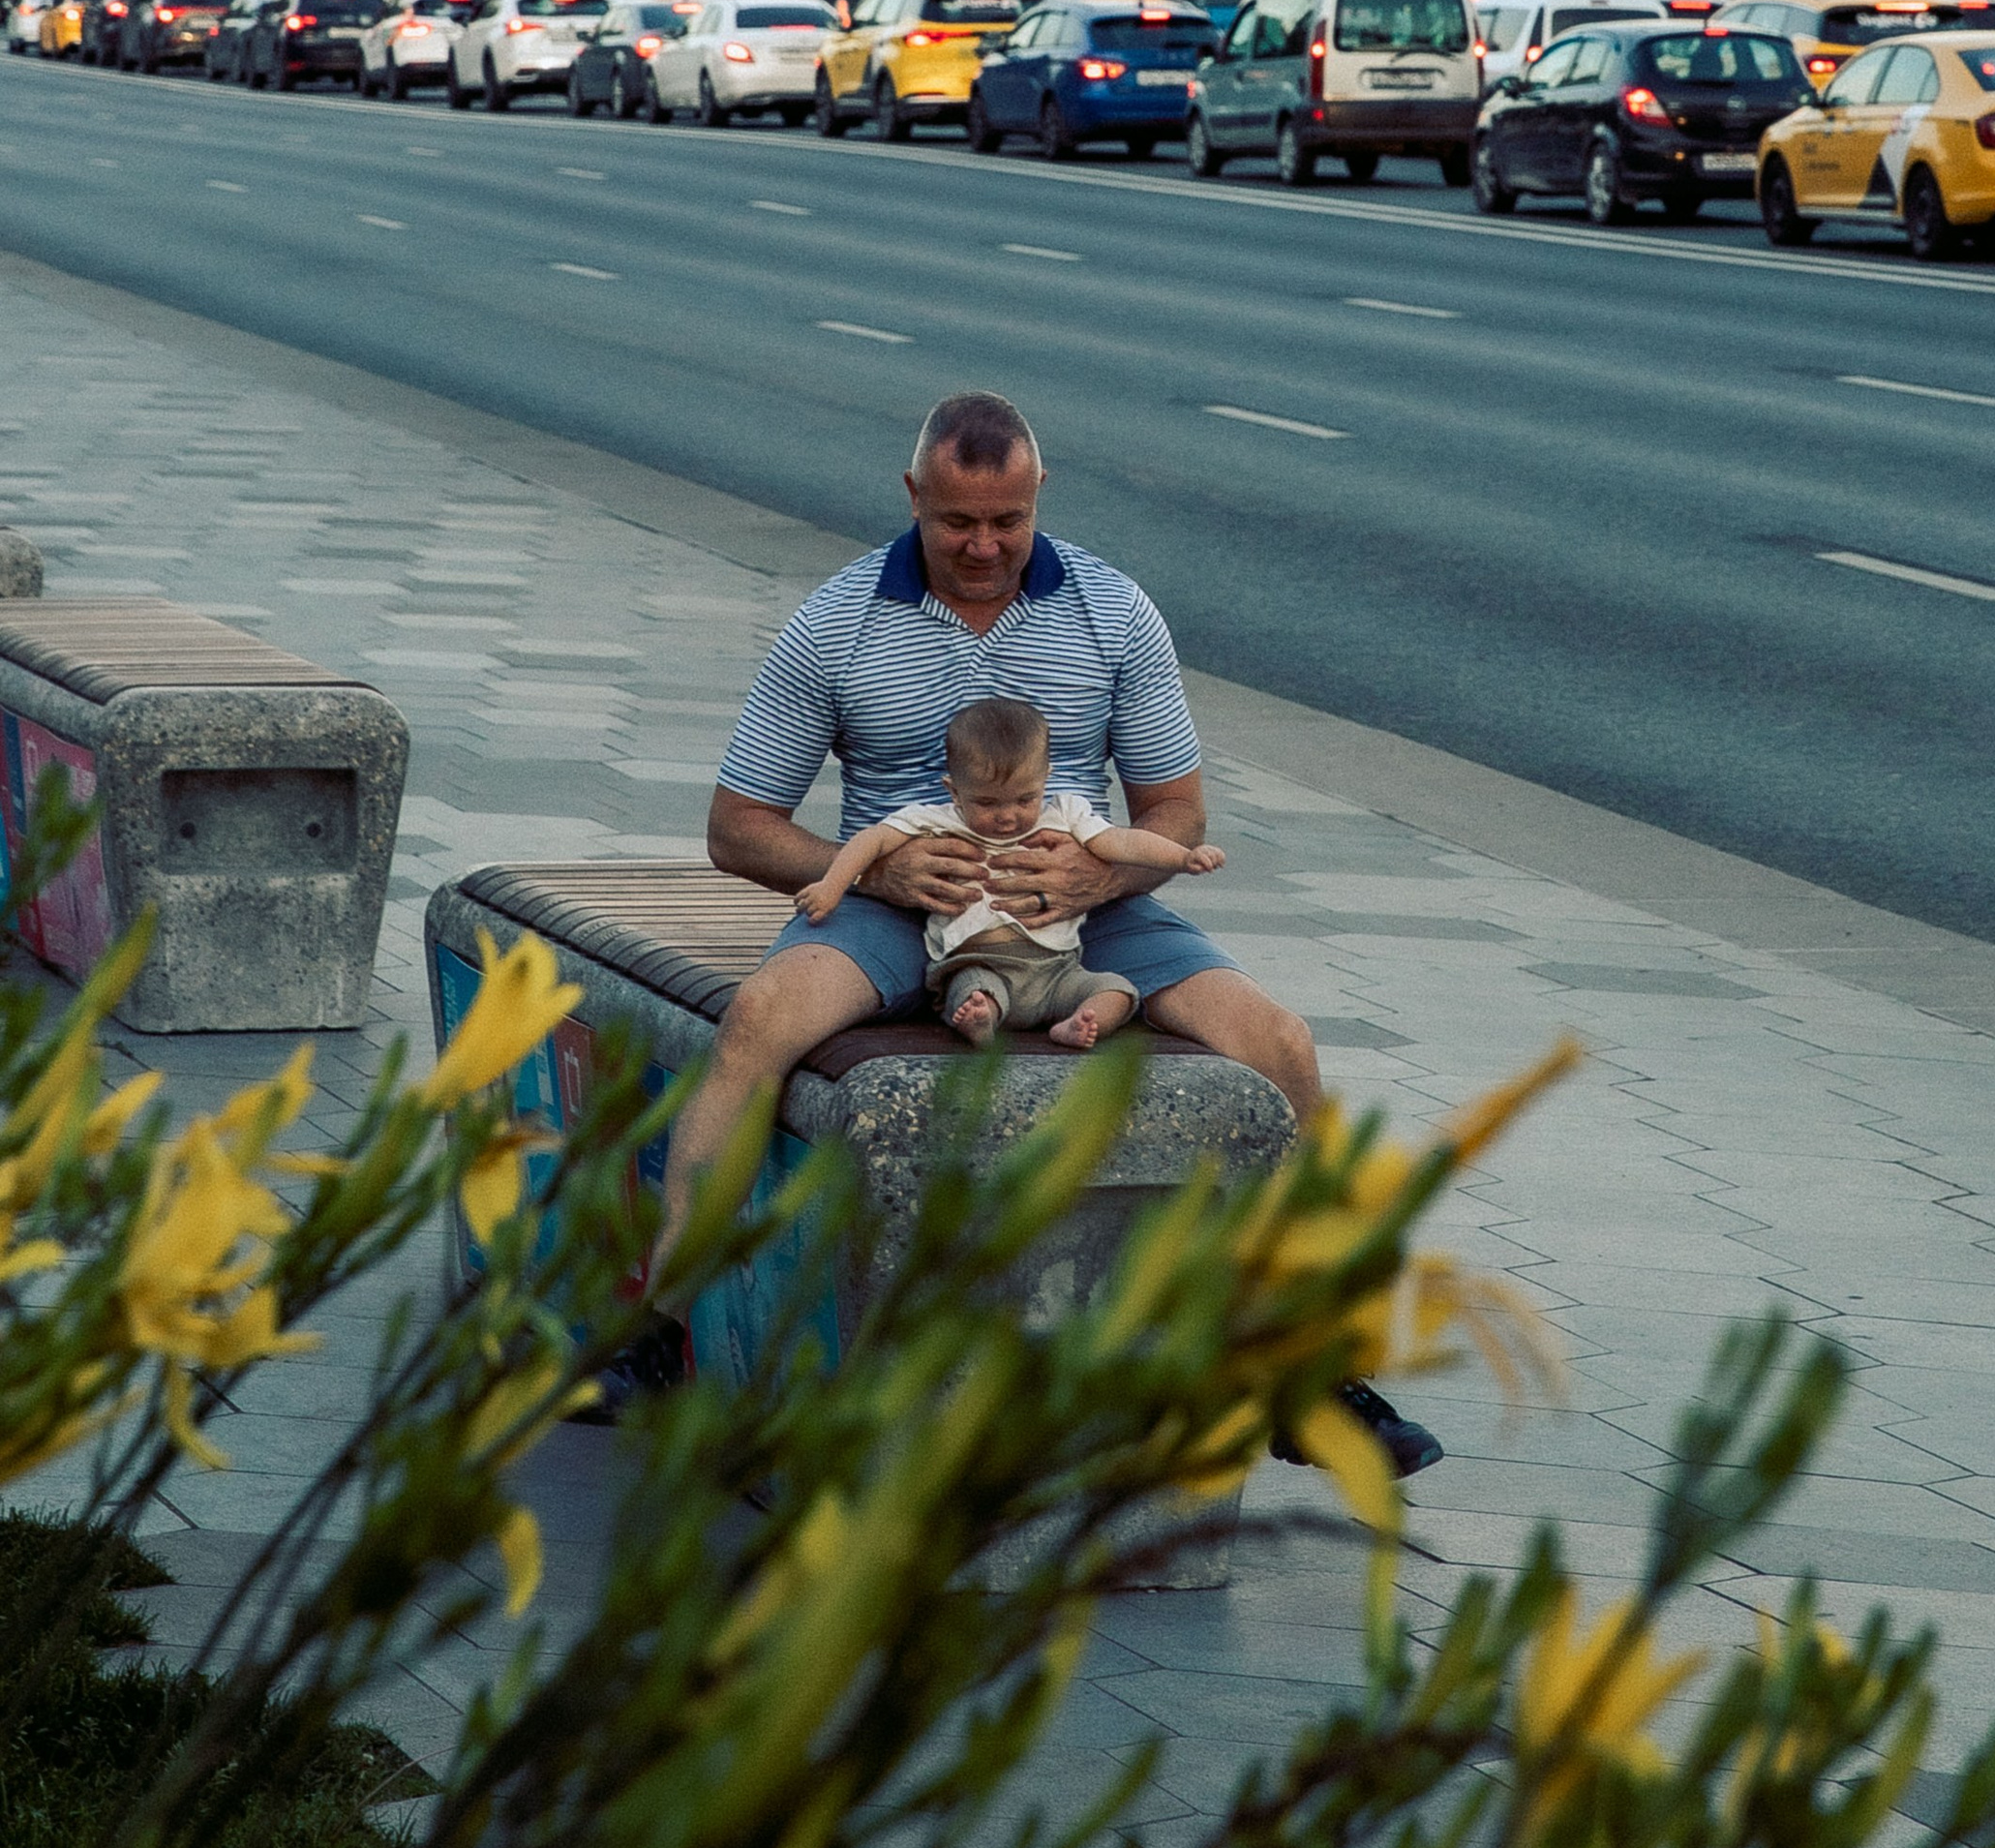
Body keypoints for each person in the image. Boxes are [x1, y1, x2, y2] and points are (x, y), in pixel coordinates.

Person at [602, 389, 1440, 1476]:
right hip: (895, 909)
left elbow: (1178, 812)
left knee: (1280, 1045)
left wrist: (1103, 869)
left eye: (1008, 520)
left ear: (1040, 491)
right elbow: (737, 827)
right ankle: (659, 1334)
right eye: (955, 521)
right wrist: (877, 869)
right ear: (913, 495)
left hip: (1086, 911)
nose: (984, 546)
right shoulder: (838, 618)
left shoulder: (1113, 611)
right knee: (759, 1021)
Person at [791, 690, 1226, 1051]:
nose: (1008, 816)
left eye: (1025, 799)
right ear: (954, 791)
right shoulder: (937, 820)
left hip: (1056, 968)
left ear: (1045, 779)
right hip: (978, 961)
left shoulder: (1064, 814)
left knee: (1116, 990)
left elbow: (1123, 842)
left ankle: (1078, 1024)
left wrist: (1181, 857)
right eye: (987, 802)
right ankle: (982, 1022)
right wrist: (833, 886)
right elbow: (872, 840)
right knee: (973, 994)